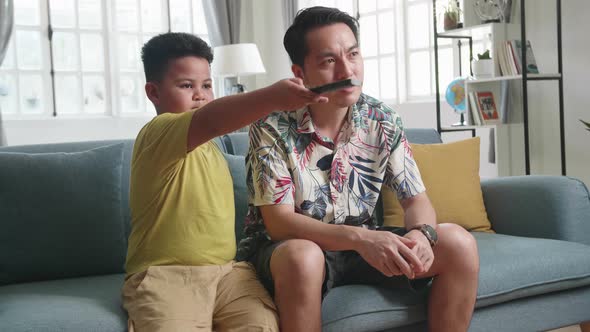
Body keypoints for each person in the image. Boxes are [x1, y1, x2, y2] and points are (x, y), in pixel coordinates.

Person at [238, 7, 479, 332]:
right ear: (300, 72)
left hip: (362, 244)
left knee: (458, 243)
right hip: (289, 248)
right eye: (328, 61)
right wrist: (362, 239)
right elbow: (280, 224)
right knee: (304, 257)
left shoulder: (382, 119)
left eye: (352, 54)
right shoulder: (270, 127)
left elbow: (415, 200)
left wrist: (423, 234)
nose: (346, 69)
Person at [122, 32, 328, 332]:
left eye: (207, 85)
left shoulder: (214, 147)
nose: (200, 95)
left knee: (262, 325)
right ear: (153, 92)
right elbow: (214, 118)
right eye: (186, 85)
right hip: (166, 276)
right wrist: (272, 96)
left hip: (229, 275)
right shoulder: (157, 134)